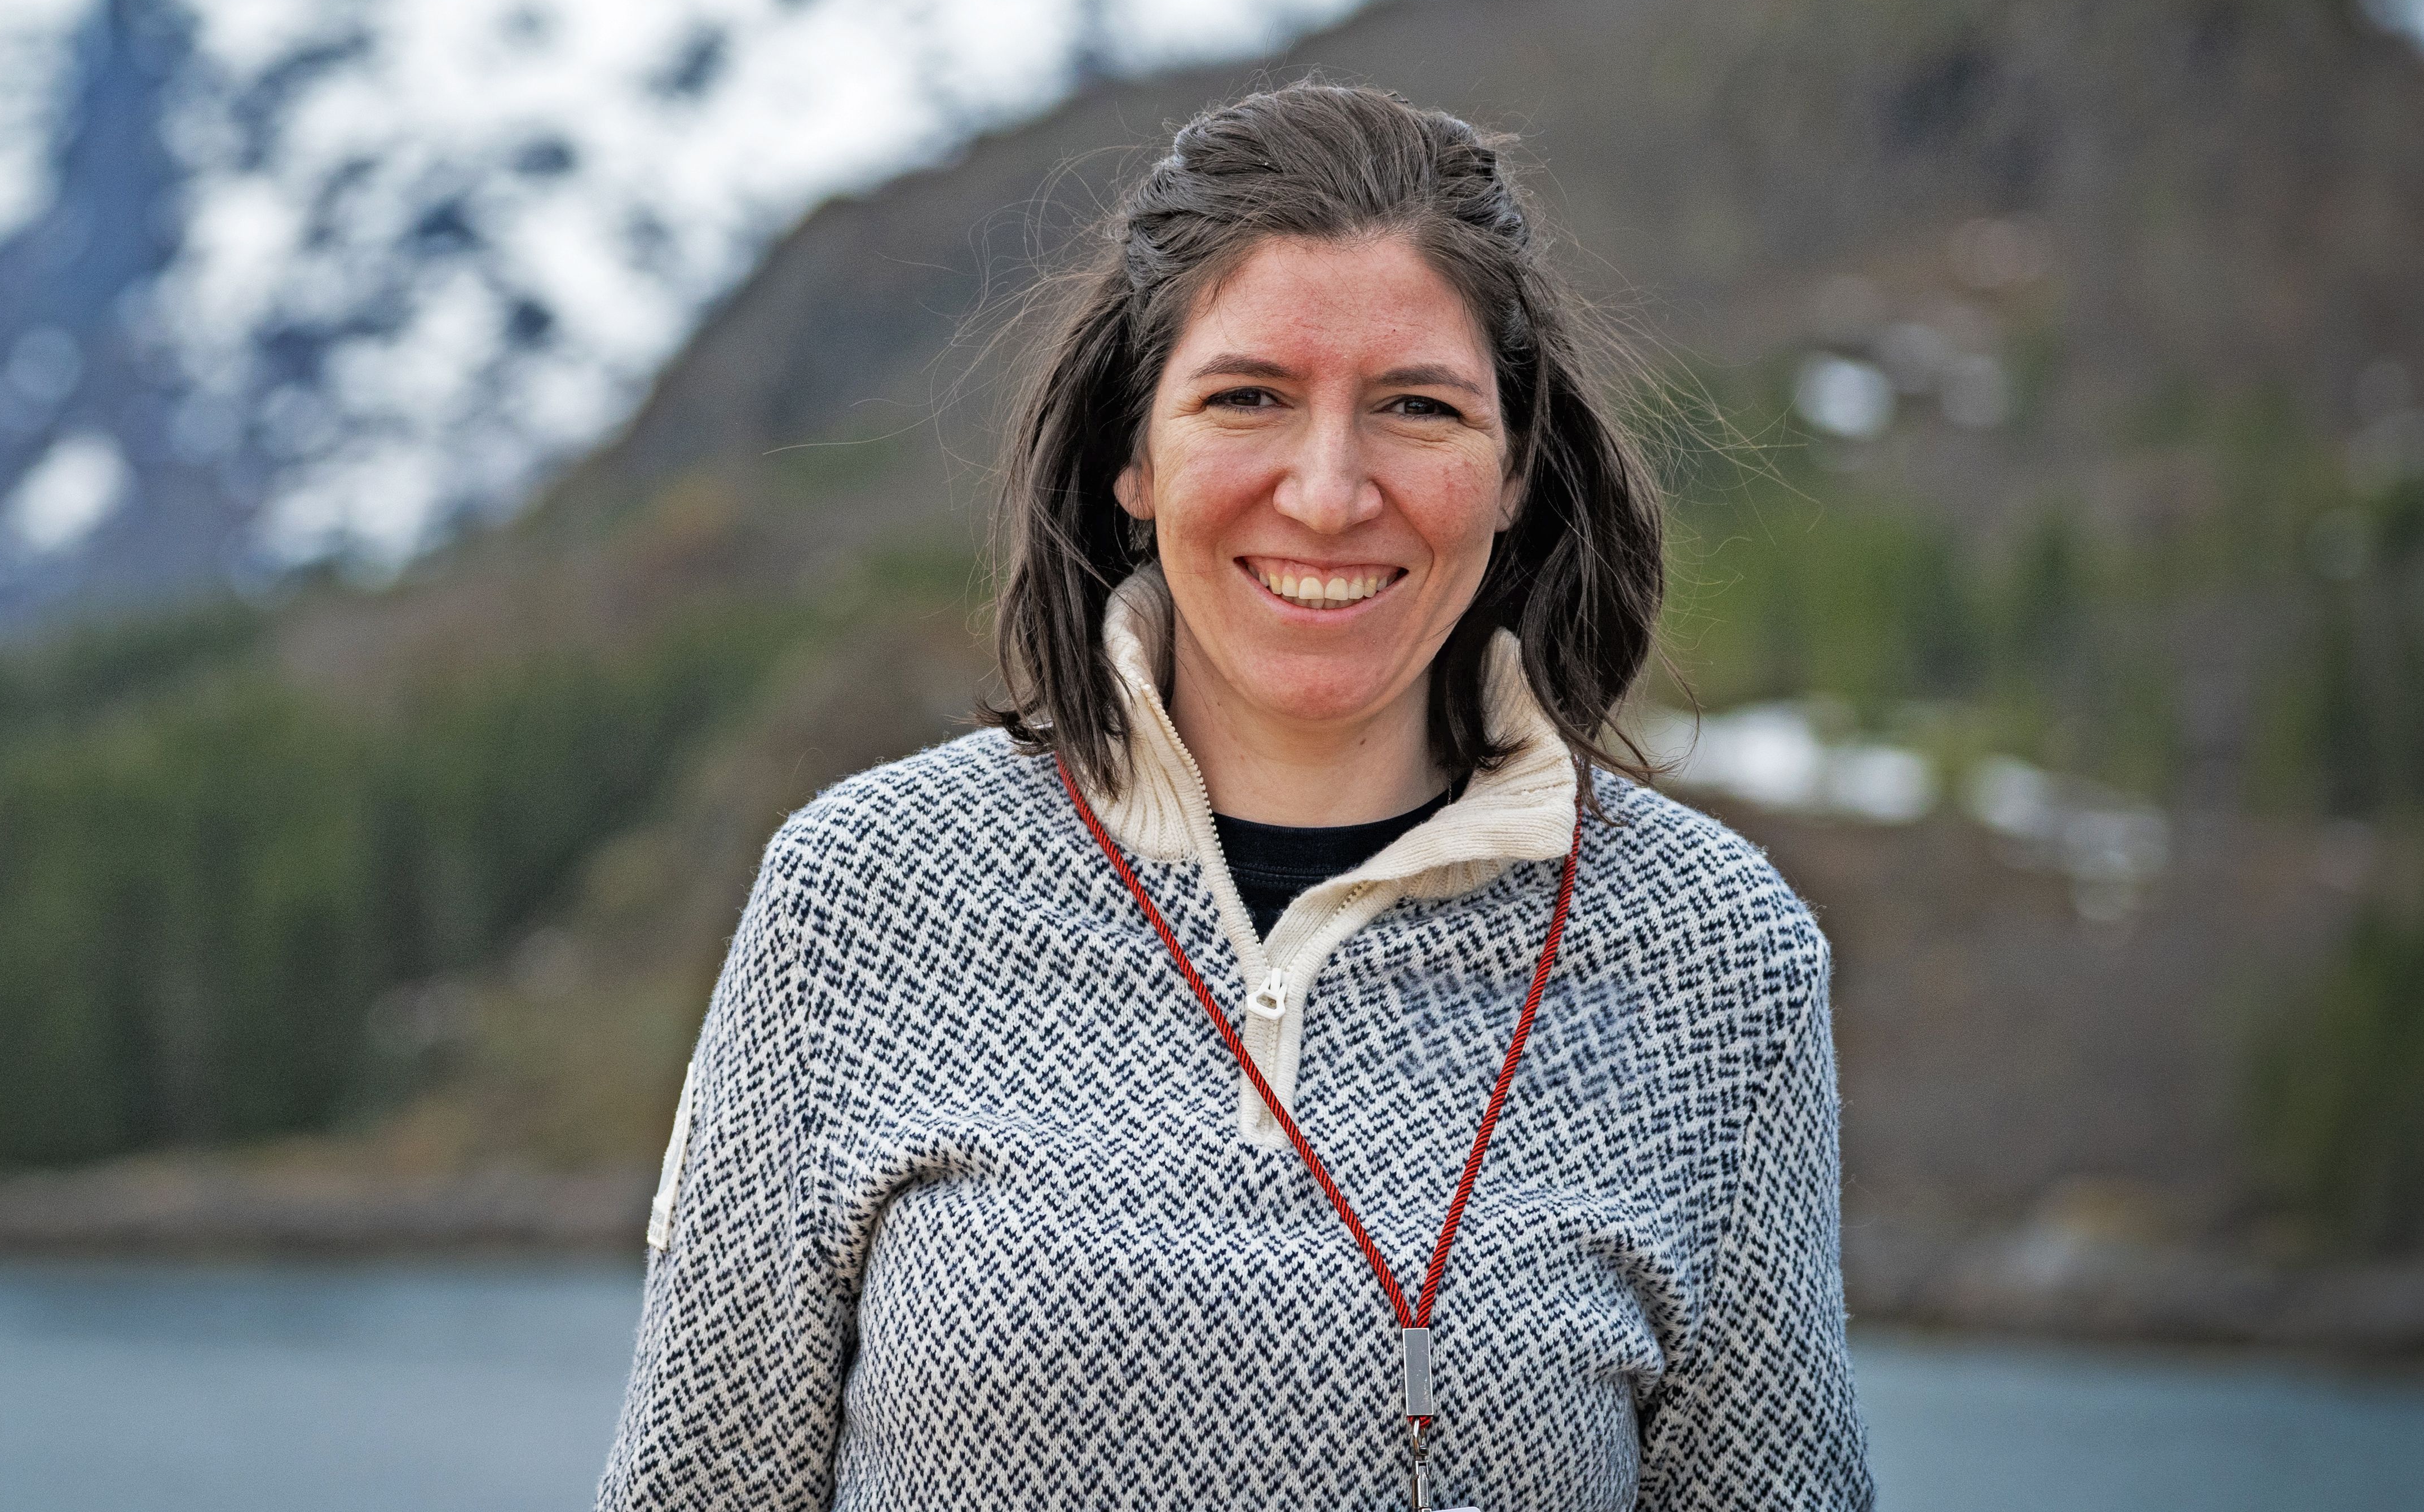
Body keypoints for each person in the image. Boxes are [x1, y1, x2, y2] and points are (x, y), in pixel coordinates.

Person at [598, 81, 1873, 1511]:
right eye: (1246, 397)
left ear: (1513, 466)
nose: (1326, 494)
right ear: (1133, 457)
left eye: (1414, 406)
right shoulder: (862, 890)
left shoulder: (1716, 956)